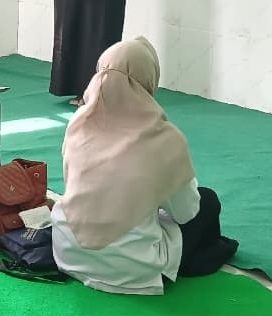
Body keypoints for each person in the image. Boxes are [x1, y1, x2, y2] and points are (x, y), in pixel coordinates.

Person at [51, 36, 238, 295]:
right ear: (148, 81)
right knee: (208, 201)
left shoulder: (79, 122)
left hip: (68, 252)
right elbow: (186, 212)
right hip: (130, 267)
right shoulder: (163, 138)